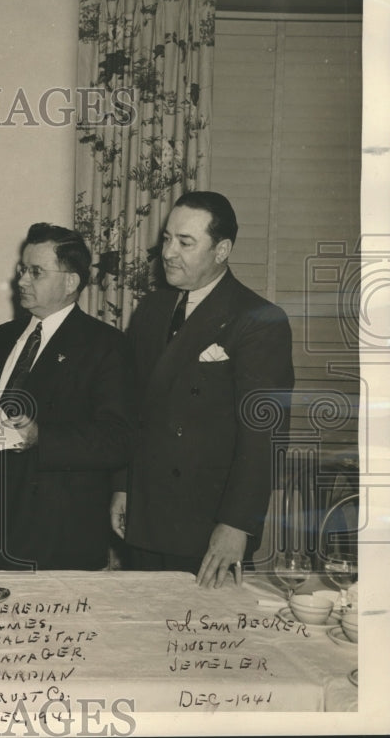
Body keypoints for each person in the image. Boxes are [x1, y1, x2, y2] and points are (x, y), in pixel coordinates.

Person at [112, 191, 294, 588]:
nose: (169, 252)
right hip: (145, 511)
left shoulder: (259, 320)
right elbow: (133, 411)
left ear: (221, 250)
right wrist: (123, 486)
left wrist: (236, 525)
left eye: (185, 242)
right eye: (166, 239)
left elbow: (263, 435)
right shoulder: (152, 310)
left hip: (206, 523)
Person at [0, 224, 134, 570]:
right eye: (22, 269)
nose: (21, 281)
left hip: (57, 538)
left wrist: (43, 436)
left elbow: (118, 439)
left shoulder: (106, 346)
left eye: (35, 272)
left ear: (71, 282)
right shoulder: (2, 337)